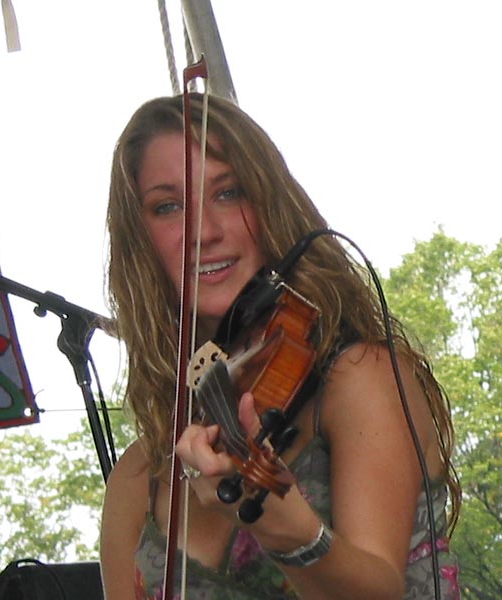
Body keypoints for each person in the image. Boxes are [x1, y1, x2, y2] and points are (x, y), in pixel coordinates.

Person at [97, 94, 461, 600]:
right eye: (168, 206)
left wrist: (283, 526)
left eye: (229, 193)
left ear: (271, 206)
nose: (204, 232)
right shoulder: (138, 480)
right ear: (140, 241)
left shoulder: (360, 377)